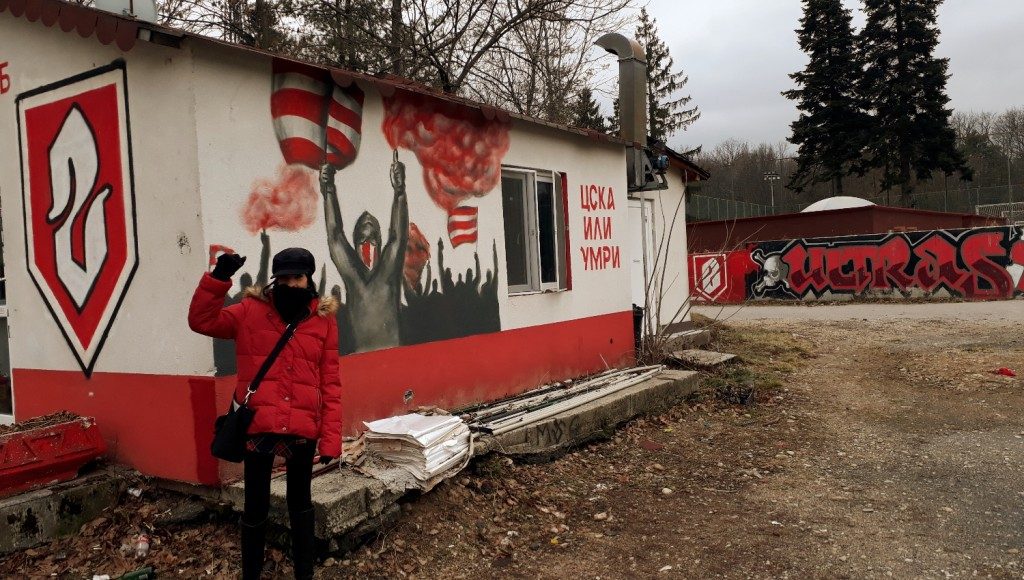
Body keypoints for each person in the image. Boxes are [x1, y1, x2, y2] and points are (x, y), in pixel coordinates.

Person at [188, 247, 342, 580]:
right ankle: (251, 575)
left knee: (300, 505)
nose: (290, 284)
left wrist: (331, 438)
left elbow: (330, 382)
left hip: (302, 426)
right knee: (255, 507)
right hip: (259, 424)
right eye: (283, 278)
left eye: (297, 277)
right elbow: (201, 321)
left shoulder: (323, 321)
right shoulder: (249, 312)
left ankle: (305, 573)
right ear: (274, 278)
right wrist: (218, 279)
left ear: (308, 279)